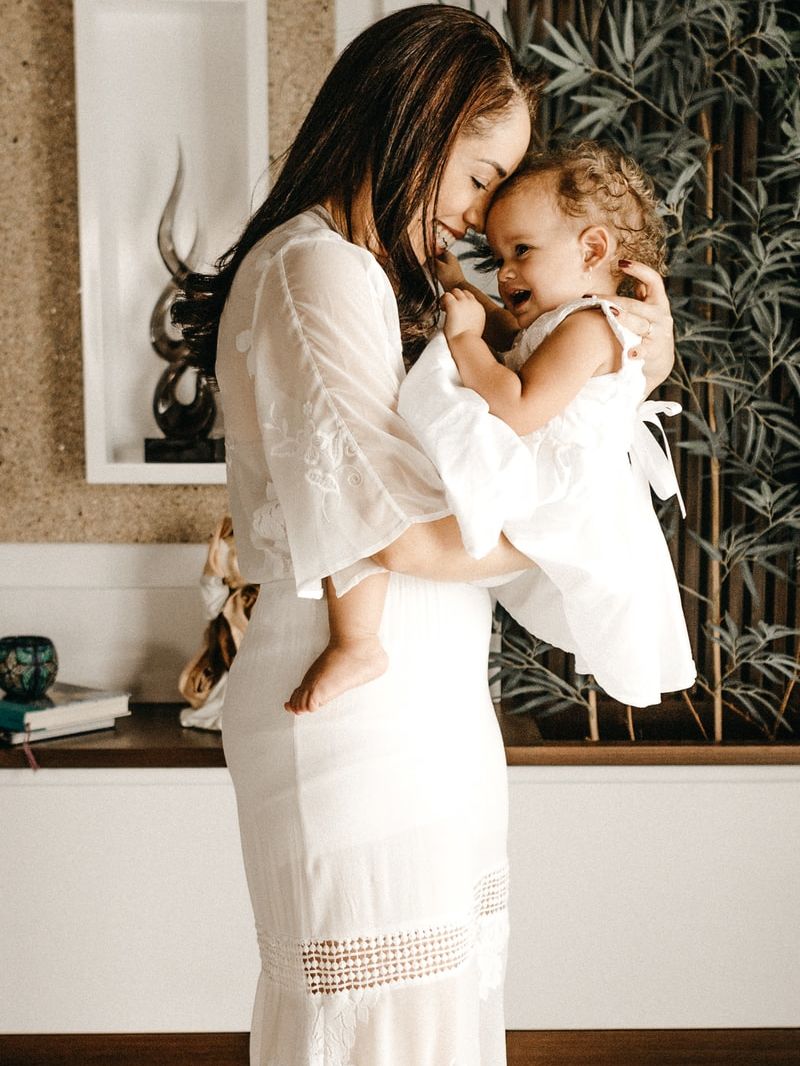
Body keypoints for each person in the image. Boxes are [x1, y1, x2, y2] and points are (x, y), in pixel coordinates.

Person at [174, 8, 676, 1064]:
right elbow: (403, 533)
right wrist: (579, 529)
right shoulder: (316, 269)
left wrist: (632, 367)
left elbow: (502, 430)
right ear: (417, 118)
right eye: (482, 174)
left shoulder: (367, 270)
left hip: (425, 698)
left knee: (434, 1006)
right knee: (375, 1024)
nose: (483, 212)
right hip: (356, 708)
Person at [288, 140, 695, 714]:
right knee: (362, 501)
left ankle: (357, 642)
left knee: (373, 521)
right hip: (534, 470)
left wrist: (462, 340)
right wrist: (458, 284)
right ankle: (356, 641)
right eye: (497, 257)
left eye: (520, 251)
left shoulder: (591, 329)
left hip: (556, 491)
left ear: (592, 249)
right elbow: (510, 333)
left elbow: (520, 404)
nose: (504, 274)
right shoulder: (562, 318)